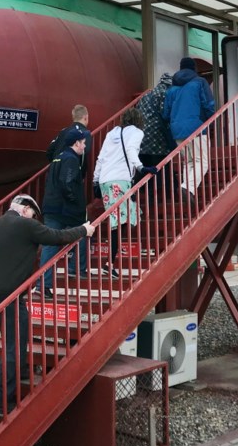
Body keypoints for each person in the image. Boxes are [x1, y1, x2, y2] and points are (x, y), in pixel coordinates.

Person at [0, 194, 95, 414]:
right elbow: (57, 236)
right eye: (34, 214)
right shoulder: (26, 226)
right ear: (26, 209)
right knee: (13, 347)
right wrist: (84, 230)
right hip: (9, 295)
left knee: (17, 334)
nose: (35, 218)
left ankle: (23, 371)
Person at [92, 107, 157, 277]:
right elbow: (131, 150)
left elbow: (101, 157)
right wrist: (141, 167)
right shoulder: (136, 132)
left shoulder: (111, 133)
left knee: (117, 221)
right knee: (122, 221)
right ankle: (109, 263)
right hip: (120, 180)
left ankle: (110, 261)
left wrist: (95, 179)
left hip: (106, 180)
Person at [38, 129, 89, 295]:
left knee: (50, 245)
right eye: (83, 142)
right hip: (65, 208)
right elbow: (66, 182)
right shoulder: (71, 159)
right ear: (76, 143)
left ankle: (43, 284)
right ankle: (76, 268)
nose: (84, 146)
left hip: (52, 207)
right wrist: (75, 200)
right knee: (84, 233)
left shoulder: (58, 157)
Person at [162, 57, 216, 201]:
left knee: (189, 162)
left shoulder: (171, 89)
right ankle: (187, 188)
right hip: (196, 127)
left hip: (177, 131)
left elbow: (165, 114)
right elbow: (209, 104)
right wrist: (211, 121)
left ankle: (188, 191)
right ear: (194, 68)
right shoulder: (200, 82)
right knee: (203, 161)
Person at [136, 73, 176, 198]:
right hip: (157, 138)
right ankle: (168, 192)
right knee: (163, 166)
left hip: (142, 138)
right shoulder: (165, 94)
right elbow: (166, 115)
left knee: (147, 167)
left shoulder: (146, 95)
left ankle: (145, 193)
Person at [46, 104, 94, 174]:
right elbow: (84, 152)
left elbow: (50, 151)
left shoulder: (63, 131)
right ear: (85, 117)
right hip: (71, 175)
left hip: (54, 174)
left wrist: (56, 164)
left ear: (73, 117)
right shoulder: (85, 133)